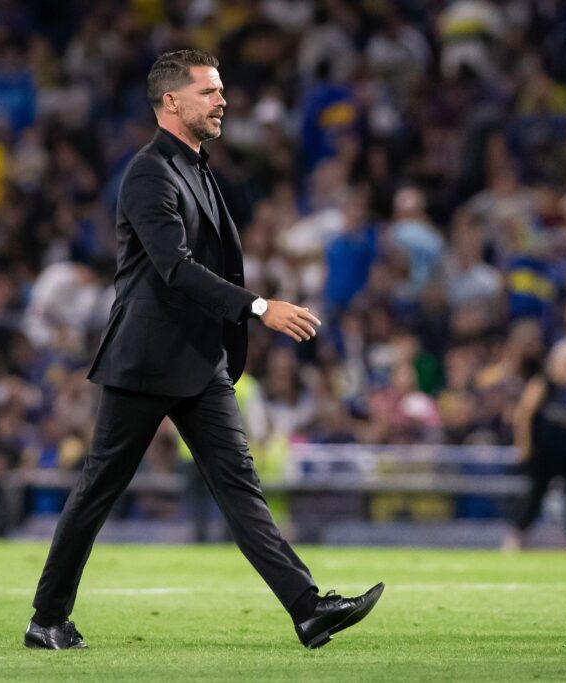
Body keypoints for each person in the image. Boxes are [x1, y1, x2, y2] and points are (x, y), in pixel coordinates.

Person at [24, 49, 384, 651]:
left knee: (240, 487)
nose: (223, 101)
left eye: (221, 90)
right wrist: (259, 307)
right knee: (97, 493)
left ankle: (307, 609)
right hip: (145, 360)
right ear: (172, 102)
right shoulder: (148, 172)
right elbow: (174, 268)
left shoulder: (197, 166)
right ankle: (46, 618)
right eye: (209, 91)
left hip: (199, 358)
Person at [504, 337, 566, 550]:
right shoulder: (543, 384)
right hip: (543, 453)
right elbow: (522, 415)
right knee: (535, 496)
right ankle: (516, 537)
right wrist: (523, 447)